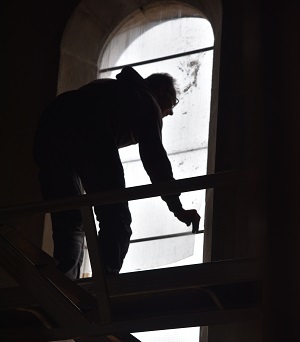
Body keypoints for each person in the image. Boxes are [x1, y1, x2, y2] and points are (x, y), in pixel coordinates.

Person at [33, 66, 200, 279]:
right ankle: (105, 286)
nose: (170, 112)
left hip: (48, 133)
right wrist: (177, 208)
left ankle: (65, 287)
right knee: (116, 216)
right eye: (171, 104)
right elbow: (155, 158)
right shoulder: (146, 100)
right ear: (160, 91)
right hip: (88, 131)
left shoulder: (110, 88)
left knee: (70, 218)